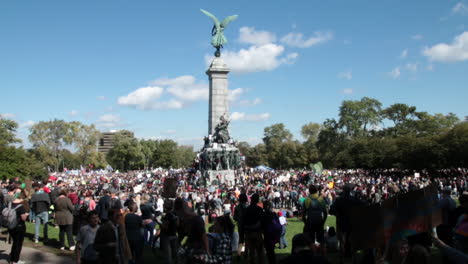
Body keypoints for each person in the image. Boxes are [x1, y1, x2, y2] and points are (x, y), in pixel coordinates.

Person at [302, 184, 328, 256]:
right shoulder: (321, 199)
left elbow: (303, 215)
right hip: (319, 221)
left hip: (310, 222)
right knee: (322, 241)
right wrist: (323, 222)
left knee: (311, 241)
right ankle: (324, 258)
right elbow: (325, 213)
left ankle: (314, 257)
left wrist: (305, 223)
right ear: (316, 191)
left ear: (309, 191)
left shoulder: (306, 200)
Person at [8, 190, 29, 264]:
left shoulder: (10, 204)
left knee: (15, 243)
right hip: (19, 226)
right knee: (18, 244)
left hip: (10, 225)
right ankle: (15, 260)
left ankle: (12, 259)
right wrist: (26, 215)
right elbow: (23, 218)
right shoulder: (21, 207)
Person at [243, 193, 265, 264]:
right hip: (257, 232)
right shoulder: (259, 209)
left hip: (249, 232)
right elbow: (262, 221)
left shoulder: (247, 209)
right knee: (260, 252)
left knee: (251, 252)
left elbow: (244, 221)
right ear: (257, 200)